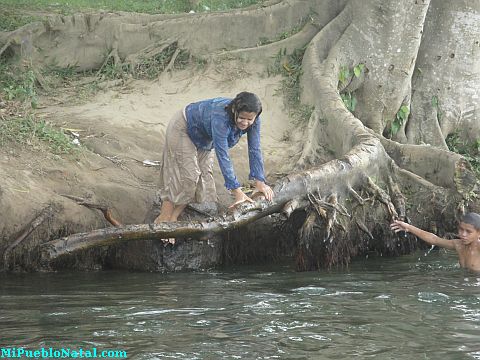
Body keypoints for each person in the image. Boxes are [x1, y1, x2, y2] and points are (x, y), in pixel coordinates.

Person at [154, 91, 274, 225]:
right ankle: (163, 220)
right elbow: (223, 155)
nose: (245, 123)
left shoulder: (254, 119)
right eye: (241, 118)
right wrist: (237, 191)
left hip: (204, 136)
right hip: (184, 127)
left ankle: (173, 217)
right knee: (186, 176)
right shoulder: (220, 118)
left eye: (249, 119)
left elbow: (255, 148)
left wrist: (260, 182)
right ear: (234, 110)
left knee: (202, 178)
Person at [390, 212, 480, 272]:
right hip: (463, 282)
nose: (463, 234)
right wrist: (408, 227)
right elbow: (434, 239)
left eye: (468, 231)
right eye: (461, 229)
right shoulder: (458, 245)